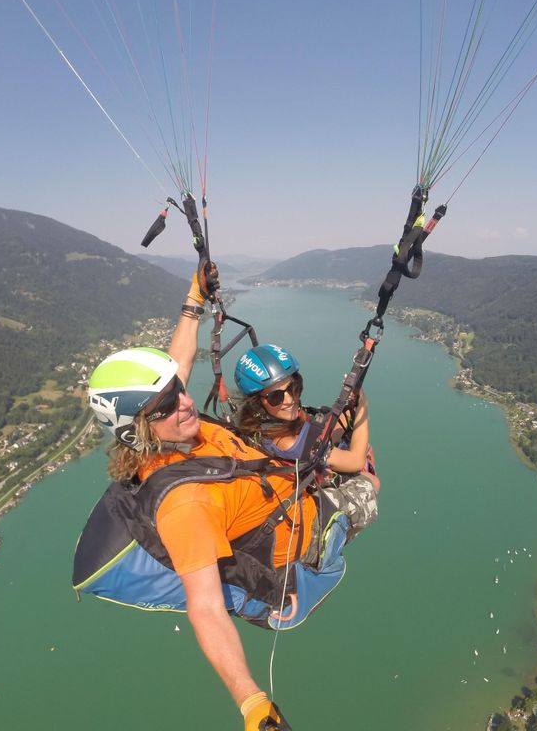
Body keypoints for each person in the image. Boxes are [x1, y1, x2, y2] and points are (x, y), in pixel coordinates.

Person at [84, 272, 372, 730]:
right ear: (135, 431)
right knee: (370, 484)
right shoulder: (184, 506)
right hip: (299, 531)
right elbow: (205, 607)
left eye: (178, 391)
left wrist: (193, 299)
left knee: (320, 441)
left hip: (283, 483)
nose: (184, 404)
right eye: (165, 407)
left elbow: (177, 366)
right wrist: (252, 702)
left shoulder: (175, 425)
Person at [234, 343, 380, 530]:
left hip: (297, 456)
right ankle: (335, 535)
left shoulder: (256, 422)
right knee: (372, 479)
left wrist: (349, 407)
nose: (289, 400)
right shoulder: (288, 442)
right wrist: (363, 408)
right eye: (275, 397)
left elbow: (318, 436)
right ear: (257, 403)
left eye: (293, 388)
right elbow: (356, 461)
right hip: (303, 504)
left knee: (345, 426)